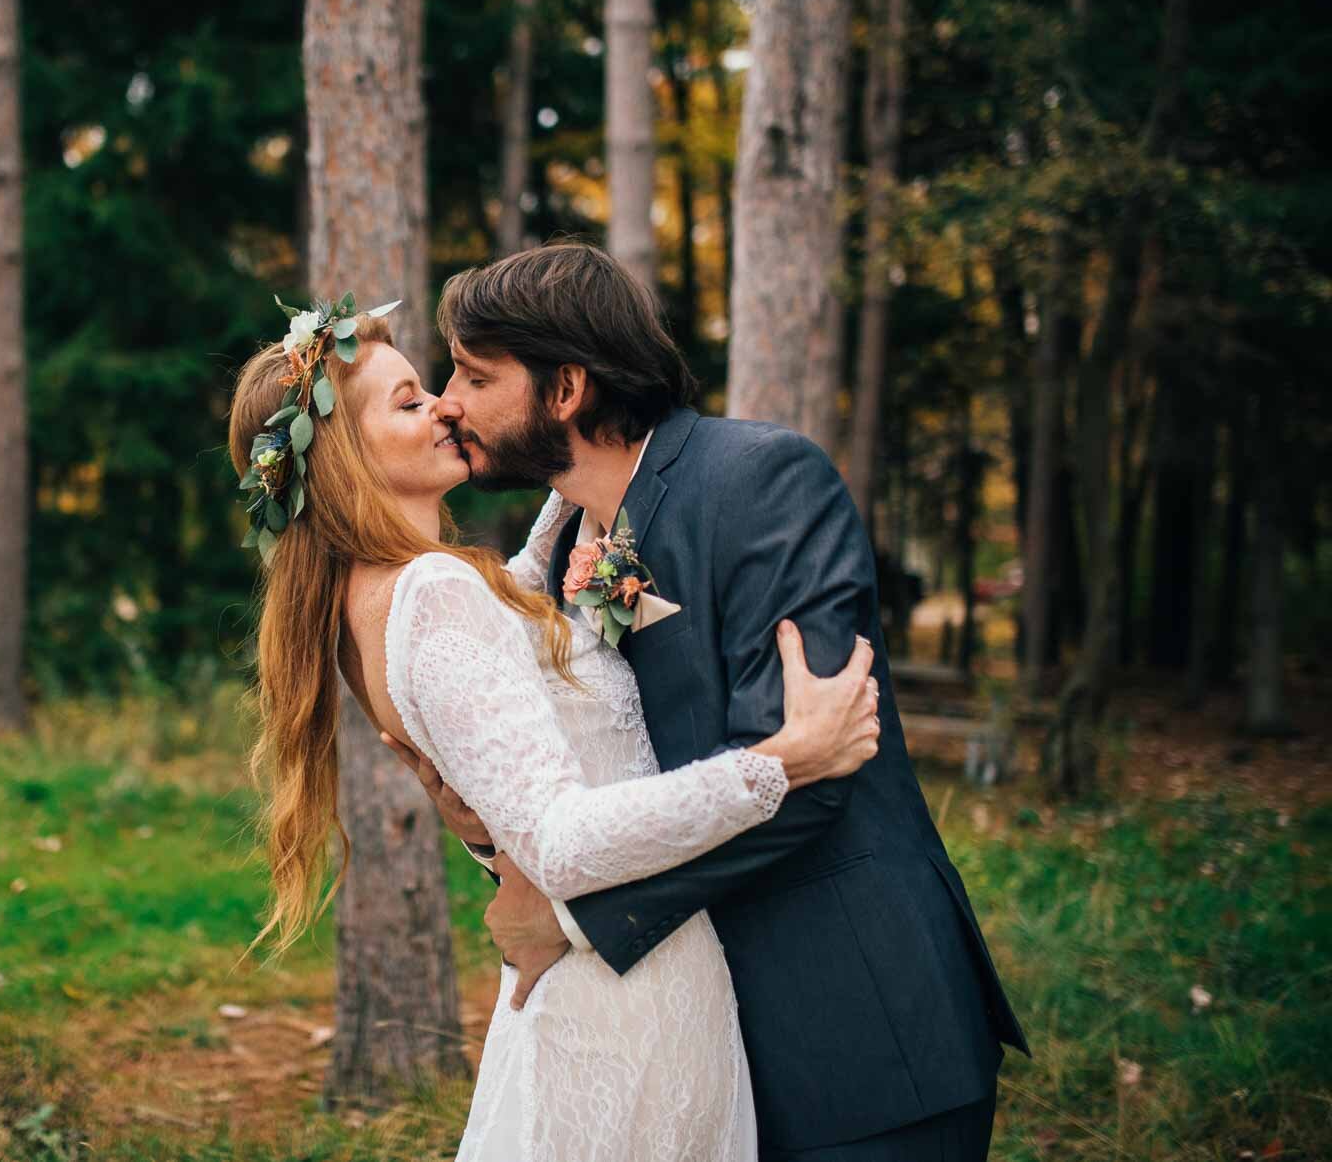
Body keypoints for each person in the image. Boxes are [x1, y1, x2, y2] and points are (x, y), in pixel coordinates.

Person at [396, 241, 1028, 1161]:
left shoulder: (764, 481)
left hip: (859, 1035)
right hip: (705, 1055)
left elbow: (812, 770)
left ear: (565, 388)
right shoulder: (564, 535)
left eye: (474, 373)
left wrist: (577, 920)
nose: (449, 399)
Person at [227, 293, 882, 1161]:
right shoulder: (434, 596)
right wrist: (781, 763)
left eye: (445, 385)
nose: (445, 406)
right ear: (344, 455)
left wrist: (588, 442)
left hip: (612, 984)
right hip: (629, 1002)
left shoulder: (380, 602)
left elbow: (532, 593)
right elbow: (561, 842)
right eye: (411, 399)